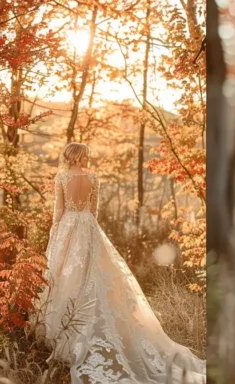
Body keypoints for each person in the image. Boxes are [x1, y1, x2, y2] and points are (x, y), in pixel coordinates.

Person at [35, 142, 206, 384]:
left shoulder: (61, 177)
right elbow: (93, 212)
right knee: (94, 274)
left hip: (68, 227)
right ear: (79, 156)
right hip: (89, 229)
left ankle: (63, 330)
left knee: (64, 274)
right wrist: (88, 230)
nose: (88, 158)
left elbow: (58, 212)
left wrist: (56, 235)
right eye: (86, 155)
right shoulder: (93, 179)